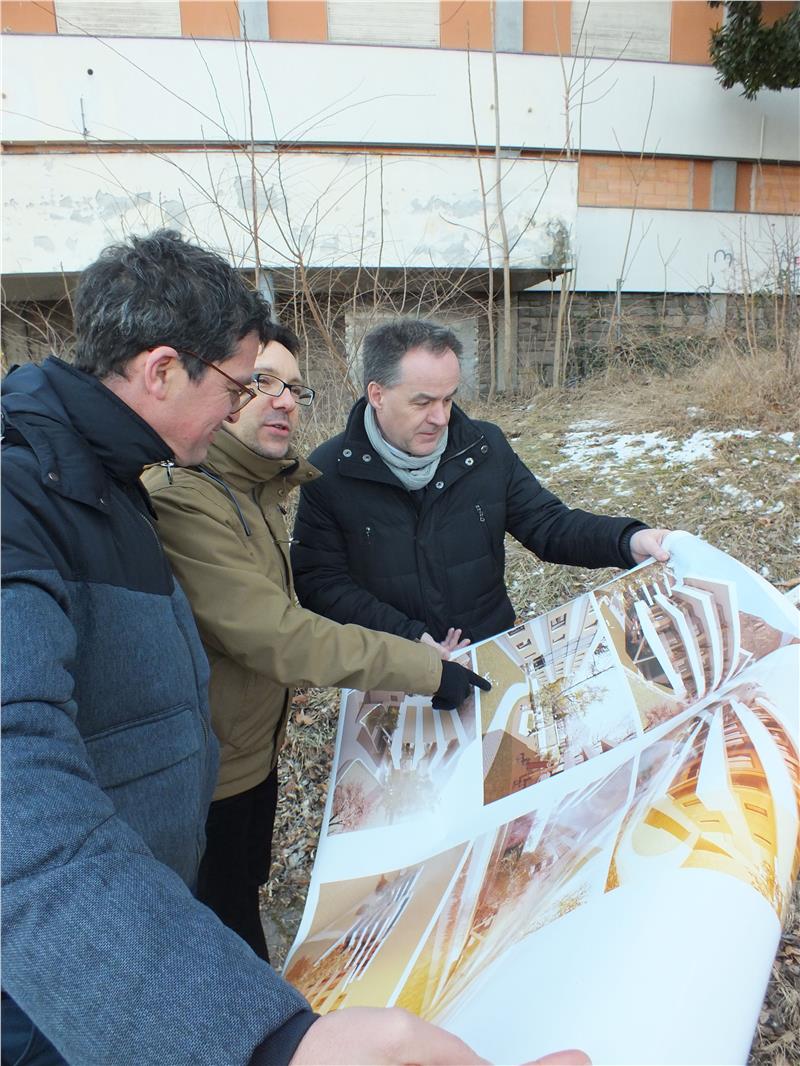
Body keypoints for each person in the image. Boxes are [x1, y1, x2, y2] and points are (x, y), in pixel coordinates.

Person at [3, 234, 535, 1066]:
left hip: (147, 885)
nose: (246, 407)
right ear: (163, 371)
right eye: (238, 385)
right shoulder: (29, 494)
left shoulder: (108, 478)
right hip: (70, 975)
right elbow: (22, 816)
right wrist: (264, 1042)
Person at [141, 322, 488, 963]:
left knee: (241, 897)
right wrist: (420, 666)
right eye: (260, 382)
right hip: (203, 773)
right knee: (219, 939)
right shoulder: (186, 495)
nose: (283, 401)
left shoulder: (254, 487)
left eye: (294, 388)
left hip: (250, 751)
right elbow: (274, 633)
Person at [292, 318, 671, 644]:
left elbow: (549, 525)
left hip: (489, 650)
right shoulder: (329, 470)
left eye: (448, 399)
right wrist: (409, 639)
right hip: (391, 666)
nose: (440, 418)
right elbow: (320, 583)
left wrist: (626, 540)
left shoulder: (483, 448)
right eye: (423, 402)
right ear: (377, 394)